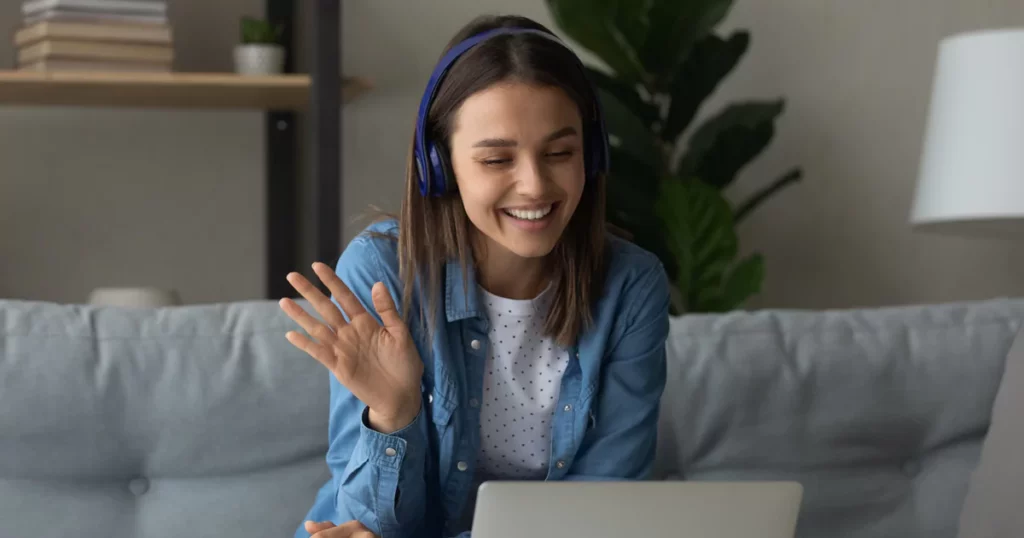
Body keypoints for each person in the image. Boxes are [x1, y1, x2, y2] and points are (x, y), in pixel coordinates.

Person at [279, 13, 671, 538]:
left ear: (591, 154)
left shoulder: (631, 287)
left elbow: (603, 506)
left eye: (560, 153)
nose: (534, 185)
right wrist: (393, 413)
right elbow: (366, 525)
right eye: (495, 160)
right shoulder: (381, 273)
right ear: (440, 166)